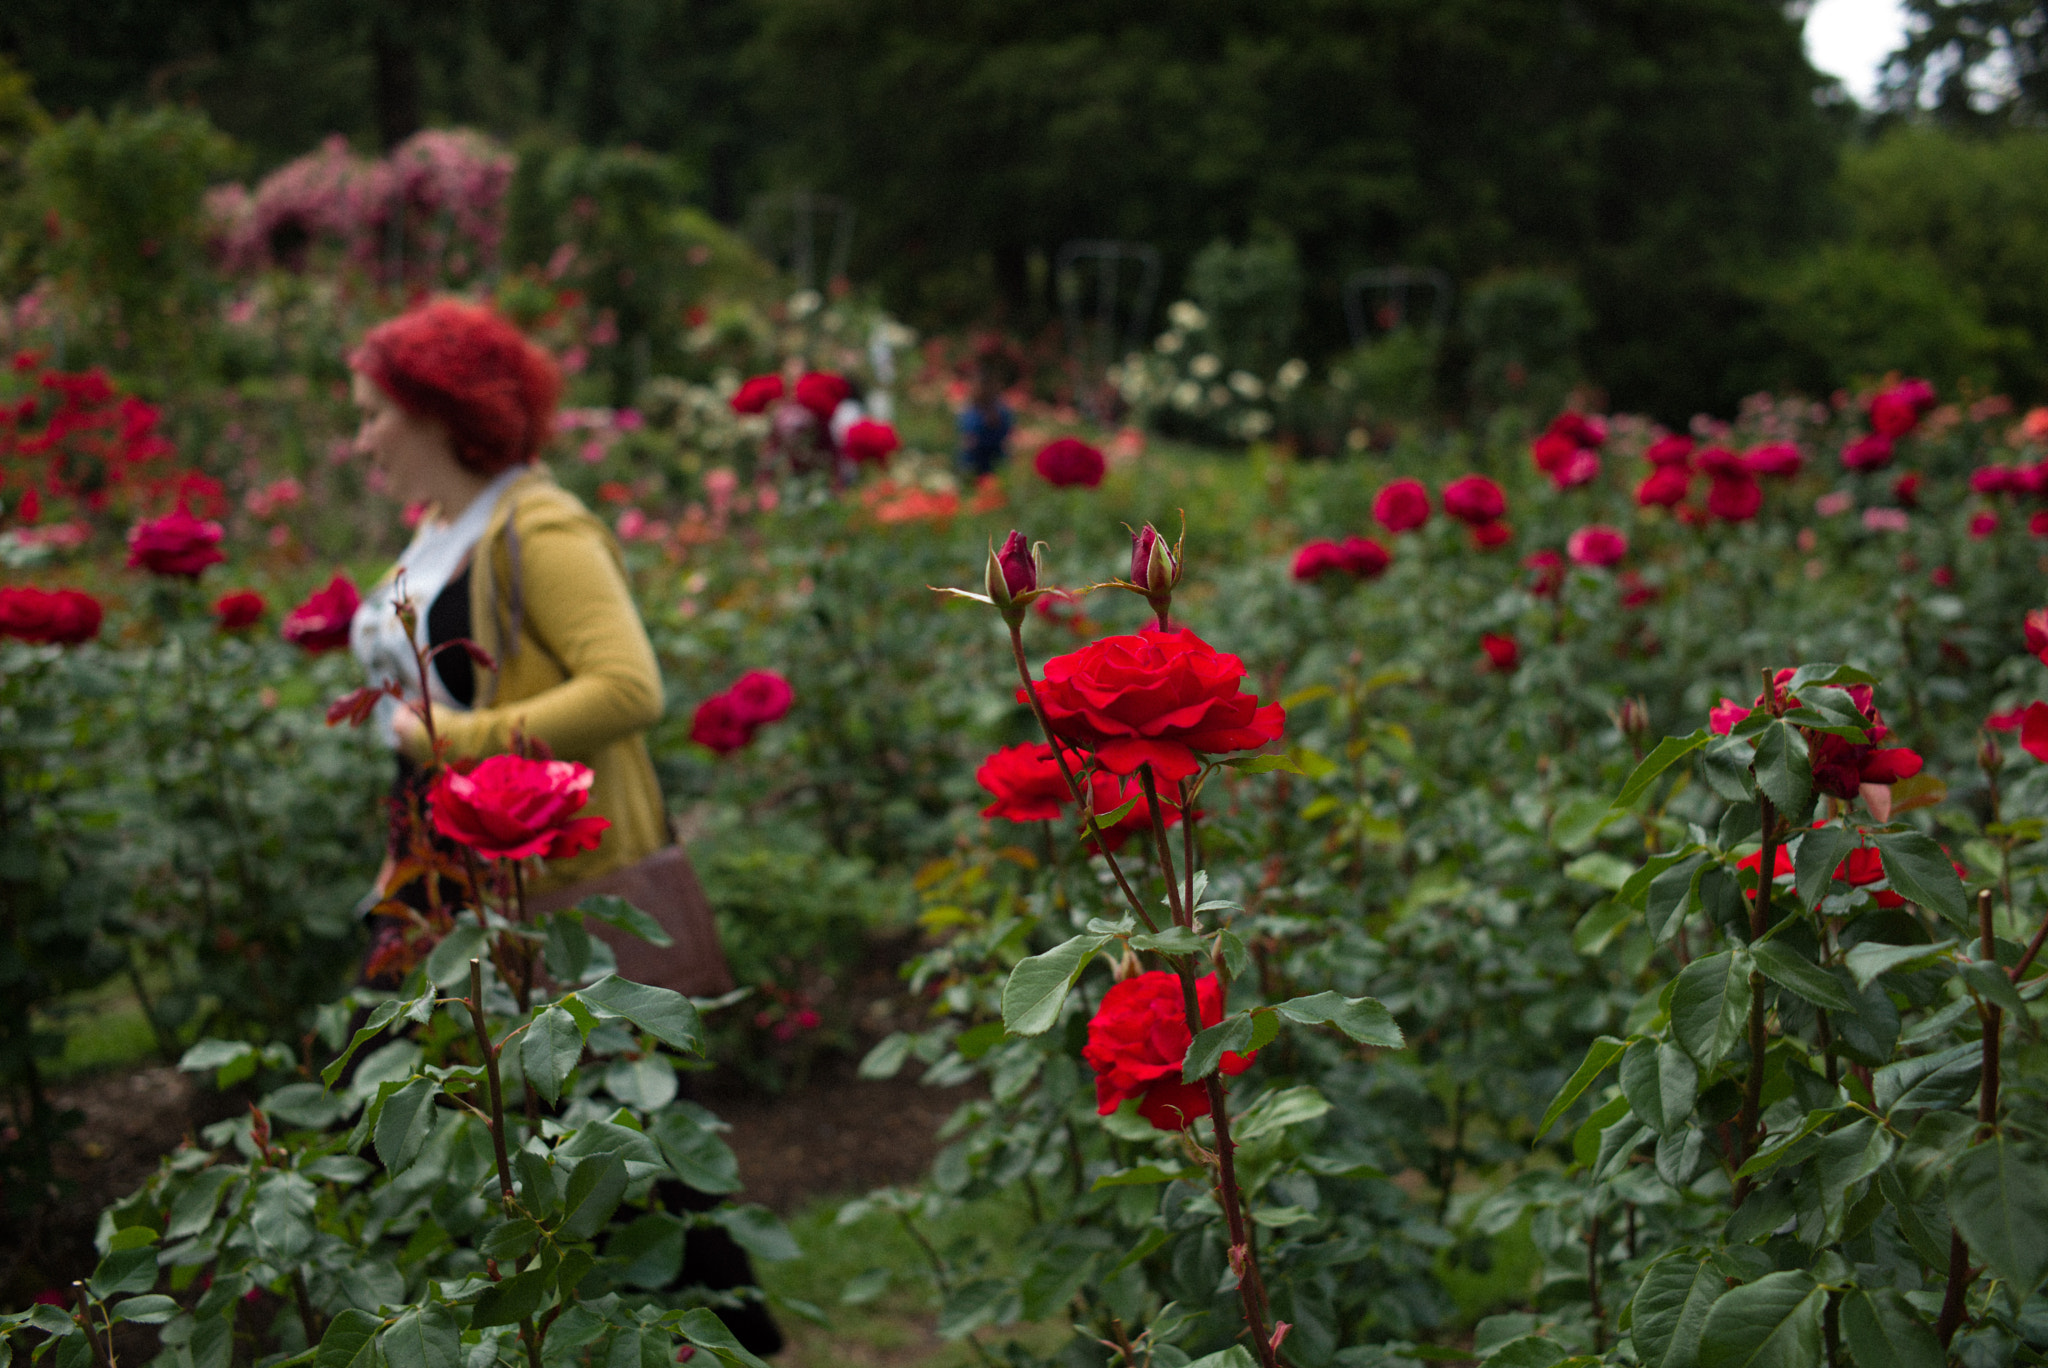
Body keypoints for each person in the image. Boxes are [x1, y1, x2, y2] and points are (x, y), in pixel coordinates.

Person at [344, 298, 781, 1356]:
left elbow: (629, 688)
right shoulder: (445, 528)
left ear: (440, 412)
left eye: (373, 415)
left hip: (545, 879)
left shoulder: (540, 527)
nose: (361, 438)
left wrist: (457, 740)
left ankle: (731, 1336)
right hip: (442, 875)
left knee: (607, 1137)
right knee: (489, 1116)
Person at [956, 341, 1018, 477]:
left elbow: (1007, 433)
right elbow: (967, 436)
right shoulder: (970, 410)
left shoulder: (999, 408)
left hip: (993, 460)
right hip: (975, 460)